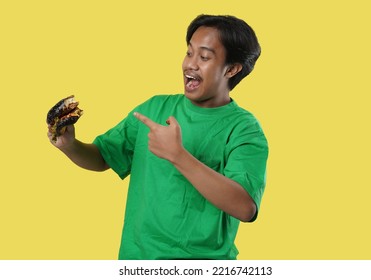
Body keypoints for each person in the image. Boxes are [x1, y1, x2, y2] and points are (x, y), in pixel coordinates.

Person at [48, 14, 268, 260]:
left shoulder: (244, 129)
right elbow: (103, 157)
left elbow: (245, 207)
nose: (190, 64)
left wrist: (178, 155)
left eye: (204, 57)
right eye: (189, 53)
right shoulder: (154, 108)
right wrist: (70, 146)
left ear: (232, 69)